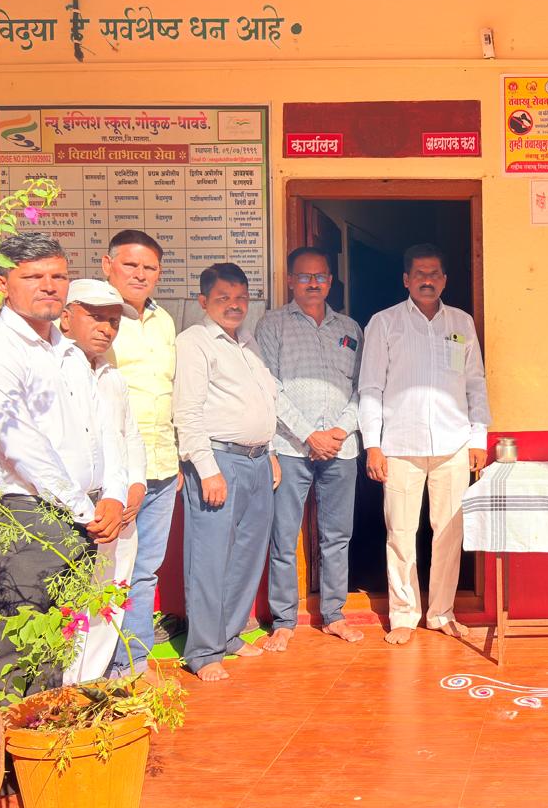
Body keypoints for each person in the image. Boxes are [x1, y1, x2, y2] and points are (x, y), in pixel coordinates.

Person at [0, 235, 127, 695]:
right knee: (16, 652)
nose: (49, 286)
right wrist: (85, 508)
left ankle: (46, 737)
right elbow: (20, 444)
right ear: (2, 284)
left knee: (58, 647)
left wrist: (113, 494)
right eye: (33, 276)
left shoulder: (68, 350)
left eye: (58, 276)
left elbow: (105, 429)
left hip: (85, 514)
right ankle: (8, 742)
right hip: (30, 517)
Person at [359, 244, 490, 645]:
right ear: (406, 280)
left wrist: (478, 438)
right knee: (400, 532)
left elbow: (474, 382)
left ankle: (441, 612)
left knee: (449, 533)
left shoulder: (461, 323)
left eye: (434, 273)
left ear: (445, 280)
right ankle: (403, 614)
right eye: (419, 273)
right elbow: (370, 386)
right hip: (400, 446)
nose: (427, 280)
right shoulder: (385, 323)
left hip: (454, 444)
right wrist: (373, 444)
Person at [174, 263, 280, 682]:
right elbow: (187, 411)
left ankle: (230, 633)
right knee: (210, 557)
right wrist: (207, 469)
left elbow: (263, 402)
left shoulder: (248, 342)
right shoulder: (195, 343)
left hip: (258, 461)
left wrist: (271, 452)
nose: (234, 305)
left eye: (240, 298)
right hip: (219, 461)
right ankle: (203, 651)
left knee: (247, 554)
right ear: (204, 301)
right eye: (223, 298)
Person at [256, 247, 364, 652]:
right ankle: (284, 620)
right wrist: (309, 435)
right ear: (290, 280)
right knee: (284, 536)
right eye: (304, 276)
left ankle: (334, 615)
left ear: (330, 281)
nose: (313, 283)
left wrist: (338, 431)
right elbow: (270, 386)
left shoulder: (350, 328)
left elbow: (363, 388)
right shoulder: (273, 324)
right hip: (290, 447)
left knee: (337, 536)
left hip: (341, 448)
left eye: (320, 276)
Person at [57, 280, 147, 683]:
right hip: (76, 512)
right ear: (66, 317)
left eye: (113, 321)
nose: (106, 328)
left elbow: (129, 435)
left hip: (120, 510)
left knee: (108, 601)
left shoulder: (112, 377)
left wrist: (136, 486)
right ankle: (64, 691)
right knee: (70, 608)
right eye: (95, 317)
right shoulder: (53, 371)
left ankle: (89, 687)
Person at [101, 229, 179, 677]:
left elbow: (169, 391)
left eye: (149, 267)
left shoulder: (164, 321)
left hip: (162, 465)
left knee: (146, 568)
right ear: (108, 265)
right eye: (130, 264)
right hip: (115, 471)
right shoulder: (96, 317)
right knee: (108, 570)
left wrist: (177, 457)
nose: (140, 274)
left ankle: (133, 661)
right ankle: (99, 666)